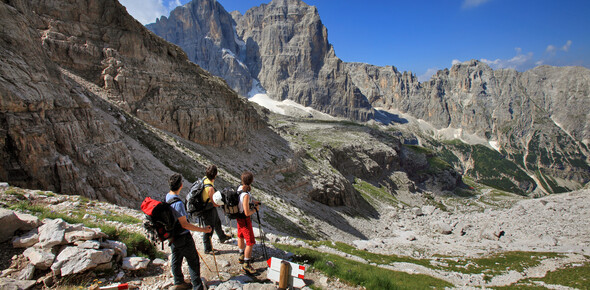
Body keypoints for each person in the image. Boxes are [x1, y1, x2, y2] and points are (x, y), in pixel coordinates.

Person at [166, 173, 212, 290]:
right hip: (183, 237)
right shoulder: (178, 204)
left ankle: (178, 281)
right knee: (193, 261)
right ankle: (197, 286)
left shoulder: (168, 197)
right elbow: (185, 224)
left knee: (176, 258)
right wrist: (203, 230)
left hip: (173, 235)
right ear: (181, 186)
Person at [201, 165, 232, 254]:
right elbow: (214, 202)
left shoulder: (205, 179)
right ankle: (208, 248)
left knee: (217, 221)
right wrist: (221, 204)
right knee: (209, 227)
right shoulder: (210, 188)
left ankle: (222, 236)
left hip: (207, 206)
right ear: (215, 174)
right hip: (207, 208)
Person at [236, 171, 261, 275]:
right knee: (250, 242)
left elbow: (241, 201)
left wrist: (253, 202)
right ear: (251, 181)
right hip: (245, 220)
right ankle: (246, 264)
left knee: (240, 236)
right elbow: (247, 212)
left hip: (238, 218)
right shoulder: (246, 195)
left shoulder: (239, 189)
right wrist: (255, 209)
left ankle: (241, 255)